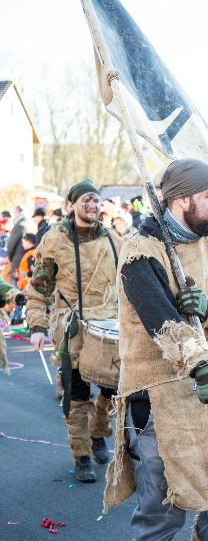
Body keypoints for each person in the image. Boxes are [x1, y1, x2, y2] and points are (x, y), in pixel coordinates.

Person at [106, 159, 208, 541]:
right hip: (158, 400)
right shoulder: (140, 251)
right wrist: (203, 365)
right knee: (164, 507)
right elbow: (163, 324)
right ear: (181, 198)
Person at [26, 180, 122, 482]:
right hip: (73, 330)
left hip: (110, 328)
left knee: (112, 391)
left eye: (96, 200)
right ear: (72, 205)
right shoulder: (54, 241)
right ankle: (81, 455)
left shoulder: (115, 239)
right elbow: (40, 288)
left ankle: (98, 434)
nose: (92, 205)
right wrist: (38, 326)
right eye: (86, 200)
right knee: (76, 394)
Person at [7, 206, 26, 285]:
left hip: (17, 261)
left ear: (16, 213)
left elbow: (10, 246)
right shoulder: (30, 223)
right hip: (28, 260)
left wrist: (10, 258)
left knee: (16, 286)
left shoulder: (18, 225)